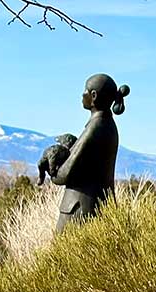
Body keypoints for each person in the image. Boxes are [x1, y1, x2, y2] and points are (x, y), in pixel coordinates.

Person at [52, 74, 130, 233]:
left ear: (93, 96)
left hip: (80, 211)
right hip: (99, 207)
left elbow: (64, 175)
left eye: (85, 91)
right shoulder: (107, 124)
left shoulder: (95, 128)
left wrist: (51, 167)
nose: (82, 95)